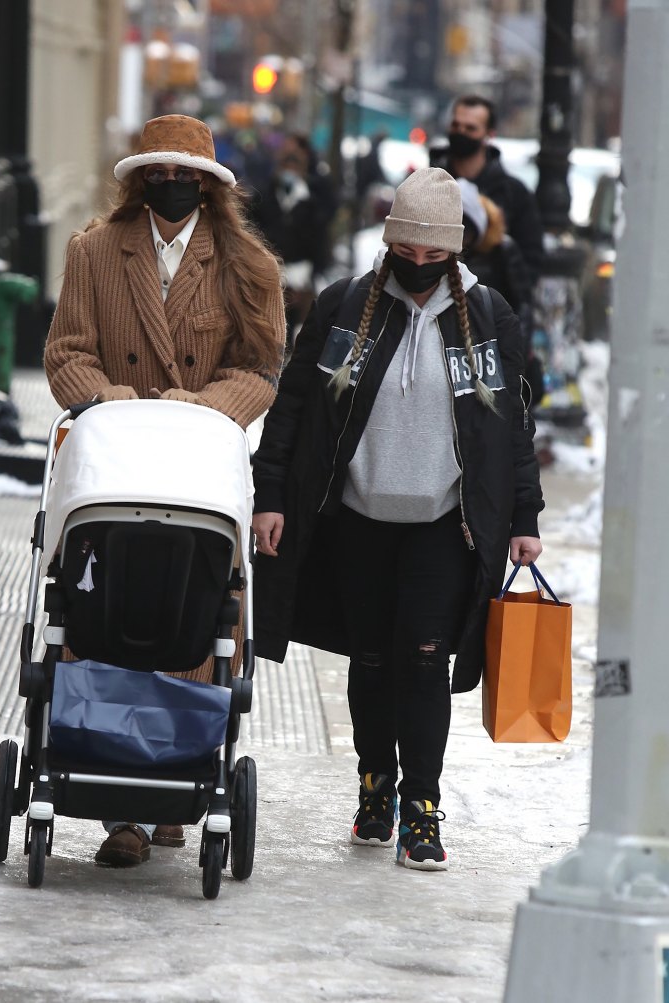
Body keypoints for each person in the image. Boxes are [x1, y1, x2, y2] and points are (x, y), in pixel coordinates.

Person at [251, 168, 544, 871]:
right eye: (404, 250)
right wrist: (270, 496)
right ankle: (375, 786)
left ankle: (422, 808)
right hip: (357, 516)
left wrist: (525, 513)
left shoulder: (488, 314)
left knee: (422, 661)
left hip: (446, 523)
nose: (417, 264)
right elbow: (293, 405)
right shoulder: (347, 307)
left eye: (431, 254)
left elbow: (510, 425)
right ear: (389, 243)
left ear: (455, 249)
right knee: (373, 660)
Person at [45, 113, 286, 869]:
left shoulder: (248, 265)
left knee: (194, 618)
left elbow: (261, 367)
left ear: (211, 186)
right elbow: (66, 351)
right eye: (158, 172)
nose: (172, 184)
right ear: (140, 179)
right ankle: (122, 807)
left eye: (187, 175)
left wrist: (203, 411)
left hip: (197, 471)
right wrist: (113, 406)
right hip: (115, 470)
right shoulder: (93, 252)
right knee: (104, 611)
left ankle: (179, 773)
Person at [430, 95, 544, 286]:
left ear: (489, 135)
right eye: (456, 125)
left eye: (470, 128)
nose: (461, 132)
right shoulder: (427, 183)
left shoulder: (514, 194)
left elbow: (530, 261)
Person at [457, 178, 544, 406]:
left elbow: (523, 305)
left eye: (466, 227)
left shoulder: (503, 252)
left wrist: (516, 357)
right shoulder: (440, 256)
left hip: (494, 353)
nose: (461, 236)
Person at [249, 134, 335, 352]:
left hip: (299, 276)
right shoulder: (262, 196)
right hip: (266, 272)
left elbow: (319, 243)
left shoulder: (311, 203)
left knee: (292, 328)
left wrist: (311, 275)